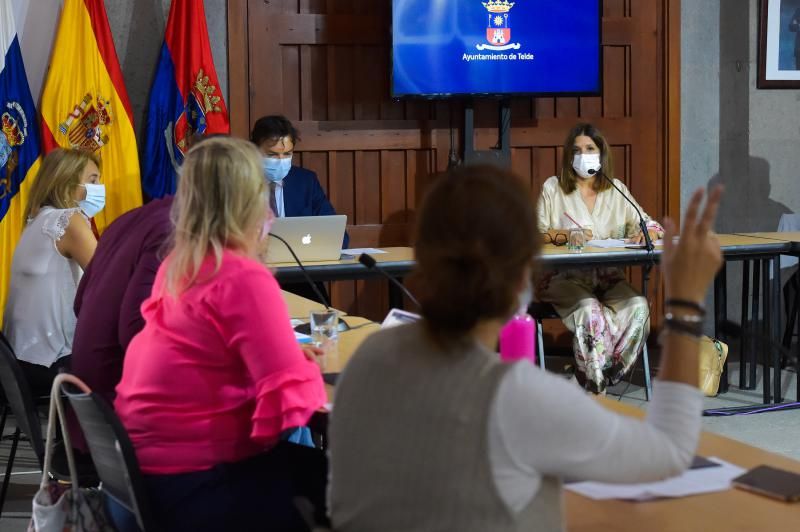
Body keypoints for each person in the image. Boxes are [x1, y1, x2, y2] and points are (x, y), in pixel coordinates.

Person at [328, 164, 723, 531]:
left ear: (421, 257)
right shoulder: (517, 396)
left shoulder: (369, 357)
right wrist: (686, 302)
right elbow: (669, 453)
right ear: (524, 274)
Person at [114, 137, 328, 531]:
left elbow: (206, 359)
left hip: (140, 477)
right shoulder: (241, 276)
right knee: (344, 485)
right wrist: (305, 370)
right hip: (199, 480)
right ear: (250, 204)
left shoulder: (178, 266)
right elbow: (287, 404)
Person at [536, 123, 664, 393]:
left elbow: (647, 223)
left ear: (601, 153)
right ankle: (596, 387)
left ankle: (600, 373)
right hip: (564, 279)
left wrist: (647, 233)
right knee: (589, 311)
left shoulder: (615, 189)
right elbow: (535, 234)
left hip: (608, 279)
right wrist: (564, 235)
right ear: (569, 156)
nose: (583, 154)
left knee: (639, 306)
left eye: (590, 149)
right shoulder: (554, 188)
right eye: (577, 150)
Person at [3, 148, 102, 397]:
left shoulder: (36, 221)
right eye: (93, 180)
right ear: (67, 182)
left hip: (16, 365)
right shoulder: (68, 220)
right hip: (52, 366)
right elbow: (109, 279)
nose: (100, 187)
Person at [251, 115, 349, 248]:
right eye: (272, 154)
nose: (280, 160)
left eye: (287, 154)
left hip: (300, 262)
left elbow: (339, 237)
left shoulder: (306, 181)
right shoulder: (239, 182)